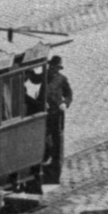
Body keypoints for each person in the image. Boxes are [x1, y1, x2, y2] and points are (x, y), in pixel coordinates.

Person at [39, 55, 73, 183]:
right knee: (43, 137)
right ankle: (45, 158)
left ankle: (54, 171)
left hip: (56, 113)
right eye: (51, 66)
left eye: (55, 67)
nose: (52, 69)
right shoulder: (45, 76)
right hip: (43, 112)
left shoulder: (62, 79)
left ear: (58, 69)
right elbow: (35, 79)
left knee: (56, 140)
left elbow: (69, 95)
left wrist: (65, 103)